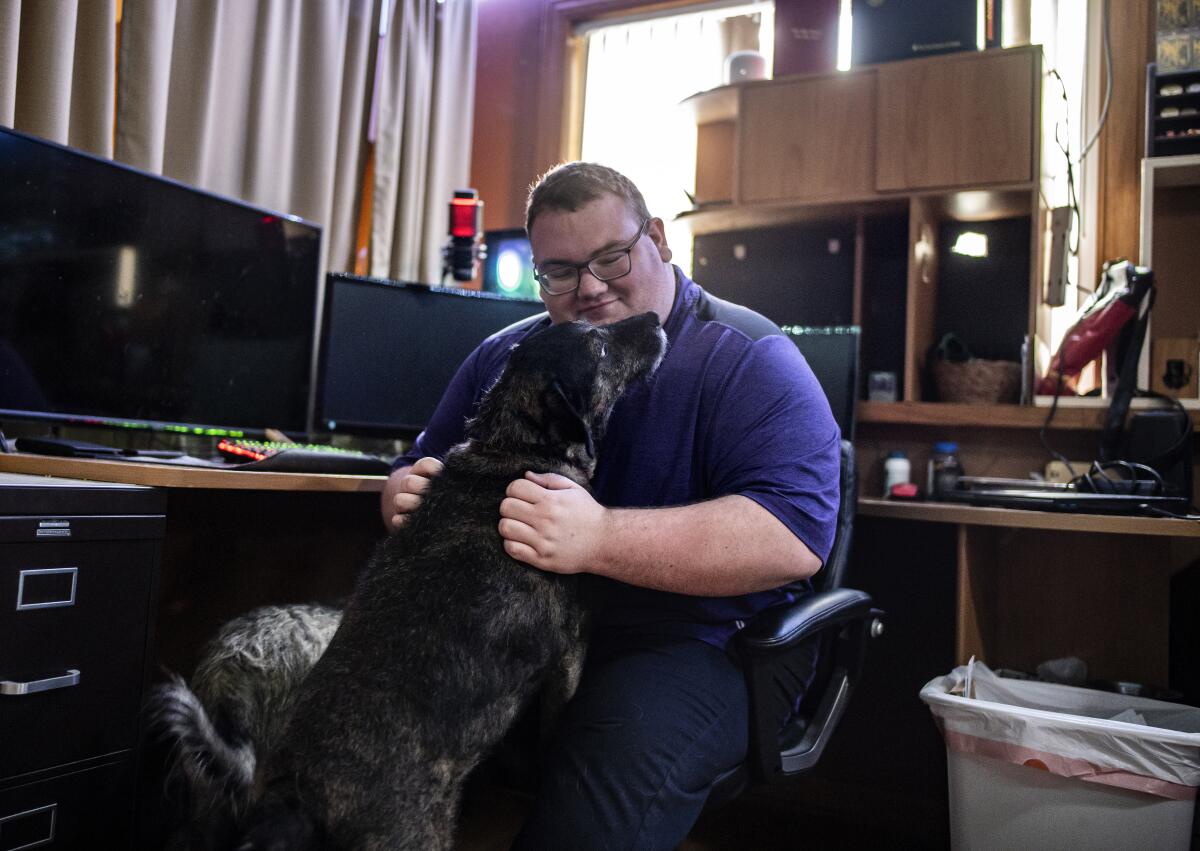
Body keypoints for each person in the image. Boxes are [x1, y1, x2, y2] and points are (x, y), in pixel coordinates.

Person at [380, 162, 840, 849]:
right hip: (522, 636)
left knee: (601, 775)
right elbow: (422, 460)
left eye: (611, 257)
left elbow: (790, 534)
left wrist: (598, 539)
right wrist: (401, 489)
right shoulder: (507, 355)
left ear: (657, 237)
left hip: (700, 643)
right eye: (560, 271)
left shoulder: (750, 357)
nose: (589, 288)